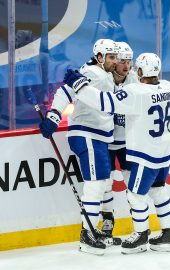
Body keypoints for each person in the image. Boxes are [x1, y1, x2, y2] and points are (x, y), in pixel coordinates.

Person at [62, 52, 170, 254]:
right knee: (158, 190)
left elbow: (104, 102)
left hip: (146, 156)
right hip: (165, 154)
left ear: (141, 70)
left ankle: (141, 236)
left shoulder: (135, 92)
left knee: (136, 195)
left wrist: (79, 86)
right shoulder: (168, 88)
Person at [39, 38, 120, 255]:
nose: (115, 61)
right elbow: (65, 92)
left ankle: (94, 230)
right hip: (87, 134)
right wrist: (54, 116)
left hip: (98, 136)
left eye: (115, 57)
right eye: (111, 57)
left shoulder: (102, 74)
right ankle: (87, 236)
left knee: (103, 182)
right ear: (100, 57)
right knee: (95, 184)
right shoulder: (93, 73)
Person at [101, 41, 139, 236]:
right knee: (105, 183)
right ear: (114, 61)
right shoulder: (103, 79)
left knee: (132, 183)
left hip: (128, 143)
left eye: (129, 61)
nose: (126, 65)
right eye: (122, 61)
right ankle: (107, 220)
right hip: (106, 141)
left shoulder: (135, 81)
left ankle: (138, 222)